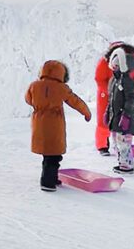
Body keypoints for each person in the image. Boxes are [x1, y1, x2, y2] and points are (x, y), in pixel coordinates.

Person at [25, 60, 92, 192]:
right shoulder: (62, 88)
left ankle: (52, 177)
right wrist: (86, 113)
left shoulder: (34, 85)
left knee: (47, 153)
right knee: (54, 154)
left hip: (38, 123)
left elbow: (28, 99)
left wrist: (40, 104)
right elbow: (75, 101)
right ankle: (47, 182)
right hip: (54, 124)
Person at [93, 42, 134, 155]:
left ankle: (123, 145)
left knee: (125, 119)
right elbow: (99, 79)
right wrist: (112, 92)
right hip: (106, 94)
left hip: (127, 93)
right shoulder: (105, 60)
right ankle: (103, 145)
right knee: (104, 120)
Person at [107, 48, 134, 174]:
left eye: (116, 66)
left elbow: (130, 99)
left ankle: (126, 166)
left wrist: (126, 115)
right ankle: (123, 163)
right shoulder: (114, 81)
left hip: (125, 118)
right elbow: (111, 99)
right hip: (116, 118)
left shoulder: (127, 82)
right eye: (113, 66)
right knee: (117, 142)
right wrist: (108, 112)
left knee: (124, 143)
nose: (114, 68)